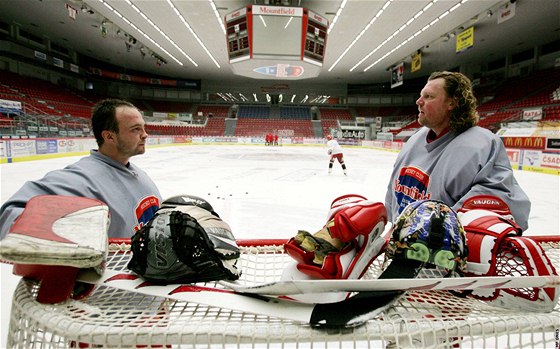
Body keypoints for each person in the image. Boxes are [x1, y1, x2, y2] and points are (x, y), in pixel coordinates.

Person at [385, 71, 531, 230]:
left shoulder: (482, 145)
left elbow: (499, 204)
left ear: (452, 103)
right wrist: (393, 231)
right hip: (401, 244)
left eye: (429, 96)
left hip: (440, 251)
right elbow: (394, 194)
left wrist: (435, 233)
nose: (419, 101)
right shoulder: (416, 138)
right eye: (421, 95)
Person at [0, 99, 162, 239]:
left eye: (143, 127)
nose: (145, 134)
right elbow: (10, 215)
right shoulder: (82, 179)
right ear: (109, 136)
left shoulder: (139, 174)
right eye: (136, 129)